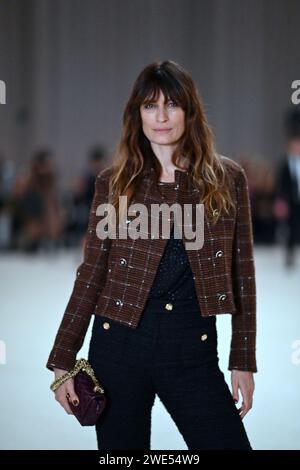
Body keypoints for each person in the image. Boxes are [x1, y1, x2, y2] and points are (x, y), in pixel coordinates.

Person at [46, 60, 257, 450]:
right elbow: (91, 272)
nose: (161, 116)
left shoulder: (226, 179)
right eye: (149, 105)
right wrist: (63, 358)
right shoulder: (114, 182)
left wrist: (242, 359)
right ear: (136, 114)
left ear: (189, 111)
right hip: (118, 350)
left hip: (192, 349)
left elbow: (242, 272)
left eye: (172, 104)